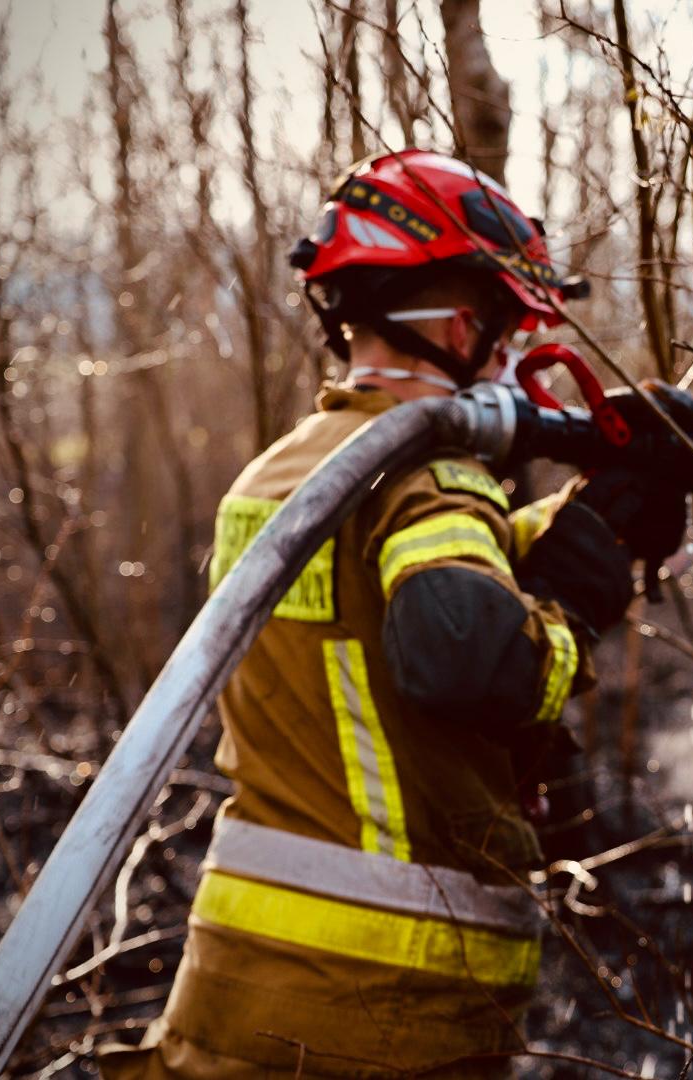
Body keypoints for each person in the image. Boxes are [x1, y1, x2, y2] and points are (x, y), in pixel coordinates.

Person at [101, 150, 642, 1078]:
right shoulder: (425, 475)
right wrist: (571, 614)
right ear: (463, 325)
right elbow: (465, 651)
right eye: (507, 327)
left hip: (238, 982)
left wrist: (583, 520)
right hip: (385, 1004)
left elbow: (371, 609)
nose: (513, 355)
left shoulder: (281, 475)